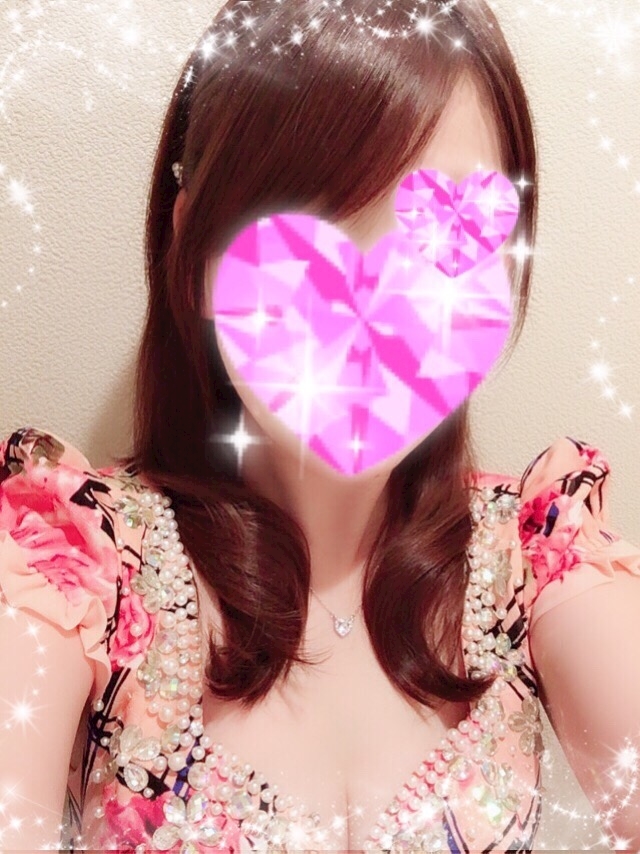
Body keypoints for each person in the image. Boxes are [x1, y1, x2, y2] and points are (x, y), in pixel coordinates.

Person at [1, 0, 640, 851]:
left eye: (450, 234)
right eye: (314, 221)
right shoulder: (72, 559)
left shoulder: (538, 553)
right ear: (196, 254)